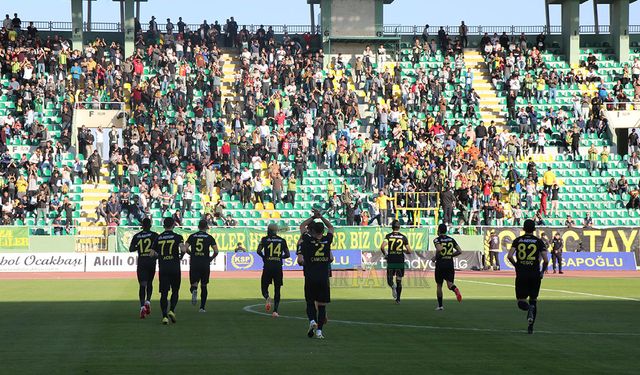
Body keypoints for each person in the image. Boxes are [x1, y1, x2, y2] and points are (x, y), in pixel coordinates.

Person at [297, 210, 334, 339]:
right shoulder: (327, 240)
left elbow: (302, 226)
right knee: (322, 306)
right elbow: (331, 227)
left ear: (312, 231)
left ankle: (312, 321)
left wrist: (313, 216)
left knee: (310, 302)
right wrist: (322, 216)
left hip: (310, 277)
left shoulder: (307, 240)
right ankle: (319, 332)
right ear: (322, 231)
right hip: (323, 277)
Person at [507, 219, 549, 334]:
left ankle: (528, 308)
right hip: (535, 274)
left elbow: (510, 256)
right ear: (534, 229)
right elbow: (546, 260)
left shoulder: (518, 240)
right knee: (533, 301)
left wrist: (517, 265)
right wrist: (542, 272)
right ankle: (531, 327)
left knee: (521, 301)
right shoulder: (539, 242)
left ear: (524, 229)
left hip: (522, 274)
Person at [151, 217, 185, 325]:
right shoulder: (177, 237)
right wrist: (181, 256)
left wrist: (160, 256)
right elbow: (183, 249)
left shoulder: (158, 237)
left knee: (164, 293)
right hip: (174, 267)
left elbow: (151, 253)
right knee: (175, 291)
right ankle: (172, 310)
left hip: (163, 267)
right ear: (173, 225)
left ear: (163, 225)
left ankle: (164, 316)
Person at [184, 219, 219, 312]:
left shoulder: (192, 236)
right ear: (206, 227)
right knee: (204, 285)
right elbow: (216, 251)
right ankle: (202, 308)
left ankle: (194, 289)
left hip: (195, 262)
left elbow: (185, 248)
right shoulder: (209, 237)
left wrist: (191, 253)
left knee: (194, 283)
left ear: (198, 227)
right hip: (205, 263)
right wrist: (211, 258)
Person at [256, 223, 290, 318]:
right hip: (278, 267)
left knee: (264, 287)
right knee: (277, 289)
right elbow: (287, 255)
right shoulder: (282, 240)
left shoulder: (264, 239)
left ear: (269, 230)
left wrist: (264, 257)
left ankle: (267, 297)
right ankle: (275, 311)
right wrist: (279, 257)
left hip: (267, 266)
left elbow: (258, 251)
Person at [128, 218, 158, 319]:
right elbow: (158, 249)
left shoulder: (137, 236)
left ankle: (142, 307)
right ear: (150, 225)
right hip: (151, 261)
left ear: (142, 225)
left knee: (142, 285)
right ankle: (148, 301)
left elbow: (131, 249)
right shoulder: (154, 235)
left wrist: (139, 247)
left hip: (142, 262)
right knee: (150, 283)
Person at [380, 220, 412, 304]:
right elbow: (409, 251)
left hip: (391, 260)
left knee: (389, 280)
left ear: (392, 227)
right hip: (400, 260)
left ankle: (393, 287)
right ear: (399, 227)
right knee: (399, 280)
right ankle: (398, 299)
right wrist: (403, 251)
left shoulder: (388, 236)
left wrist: (386, 255)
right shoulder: (403, 237)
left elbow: (382, 247)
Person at [432, 224, 463, 310]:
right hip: (449, 264)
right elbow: (460, 251)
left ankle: (440, 306)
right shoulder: (451, 239)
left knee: (439, 285)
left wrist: (435, 257)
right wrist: (451, 255)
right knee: (450, 284)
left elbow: (439, 249)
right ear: (446, 230)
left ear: (438, 230)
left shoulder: (437, 240)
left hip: (441, 264)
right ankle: (455, 289)